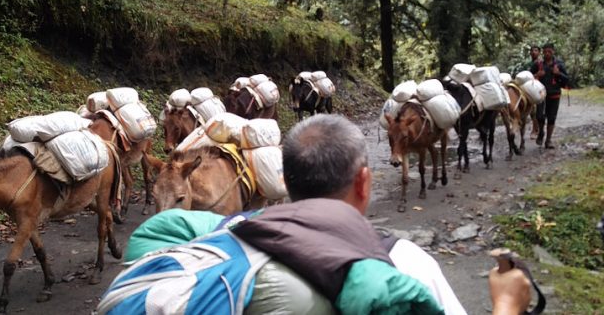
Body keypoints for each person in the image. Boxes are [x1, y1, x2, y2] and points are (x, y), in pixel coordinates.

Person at [111, 115, 531, 314]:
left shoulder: (213, 233)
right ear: (364, 184)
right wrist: (508, 303)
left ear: (287, 182)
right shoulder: (405, 264)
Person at [531, 43, 569, 149]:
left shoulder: (559, 64)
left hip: (554, 94)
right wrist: (536, 75)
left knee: (551, 118)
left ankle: (548, 140)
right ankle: (541, 133)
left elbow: (567, 80)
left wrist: (558, 74)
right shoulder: (538, 64)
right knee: (539, 116)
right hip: (540, 95)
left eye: (549, 51)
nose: (547, 54)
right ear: (543, 52)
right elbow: (527, 77)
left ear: (553, 52)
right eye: (545, 51)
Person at [523, 45, 542, 139]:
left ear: (539, 52)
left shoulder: (540, 63)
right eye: (532, 51)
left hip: (538, 88)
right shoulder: (530, 64)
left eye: (536, 50)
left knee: (536, 111)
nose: (534, 52)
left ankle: (536, 130)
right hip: (531, 88)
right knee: (533, 111)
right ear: (530, 53)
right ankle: (536, 129)